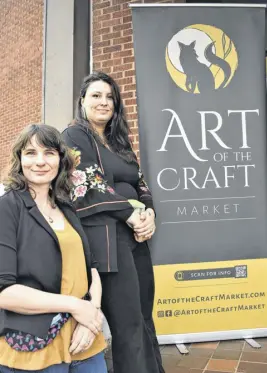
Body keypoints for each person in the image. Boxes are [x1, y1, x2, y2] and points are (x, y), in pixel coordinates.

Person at [62, 72, 165, 373]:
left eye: (109, 97)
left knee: (145, 317)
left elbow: (140, 181)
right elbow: (85, 184)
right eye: (96, 95)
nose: (103, 102)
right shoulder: (74, 135)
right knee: (128, 323)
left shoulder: (119, 141)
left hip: (136, 239)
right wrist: (130, 214)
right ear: (82, 101)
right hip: (107, 241)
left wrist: (150, 214)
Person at [0, 124, 108, 373]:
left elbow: (91, 268)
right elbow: (4, 292)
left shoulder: (66, 206)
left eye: (49, 153)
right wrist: (76, 305)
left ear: (61, 159)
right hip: (36, 347)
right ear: (19, 159)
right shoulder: (8, 208)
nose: (40, 161)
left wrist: (92, 314)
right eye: (30, 153)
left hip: (85, 340)